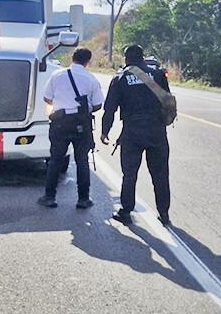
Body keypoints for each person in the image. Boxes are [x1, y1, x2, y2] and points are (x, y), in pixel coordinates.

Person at [100, 44, 171, 226]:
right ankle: (164, 213)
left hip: (132, 132)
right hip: (157, 132)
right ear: (143, 57)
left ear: (126, 60)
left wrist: (105, 132)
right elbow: (167, 100)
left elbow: (110, 108)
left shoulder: (121, 78)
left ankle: (125, 212)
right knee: (160, 174)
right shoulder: (158, 75)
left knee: (129, 174)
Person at [38, 47, 104, 208]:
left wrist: (61, 104)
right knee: (82, 161)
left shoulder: (57, 75)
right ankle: (83, 199)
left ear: (72, 57)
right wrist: (83, 110)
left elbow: (47, 97)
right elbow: (97, 104)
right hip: (81, 124)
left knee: (55, 161)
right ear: (88, 61)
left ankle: (49, 197)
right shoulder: (91, 78)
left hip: (60, 122)